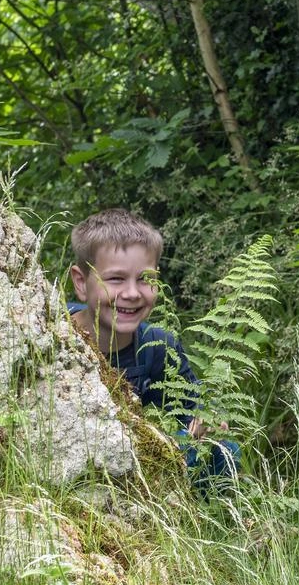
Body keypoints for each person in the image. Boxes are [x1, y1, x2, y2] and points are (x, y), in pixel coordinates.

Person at [66, 209, 239, 492]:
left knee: (223, 451)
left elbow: (192, 405)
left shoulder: (159, 346)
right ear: (81, 282)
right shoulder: (52, 335)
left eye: (145, 279)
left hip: (140, 467)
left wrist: (206, 420)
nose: (133, 293)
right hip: (73, 466)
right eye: (116, 279)